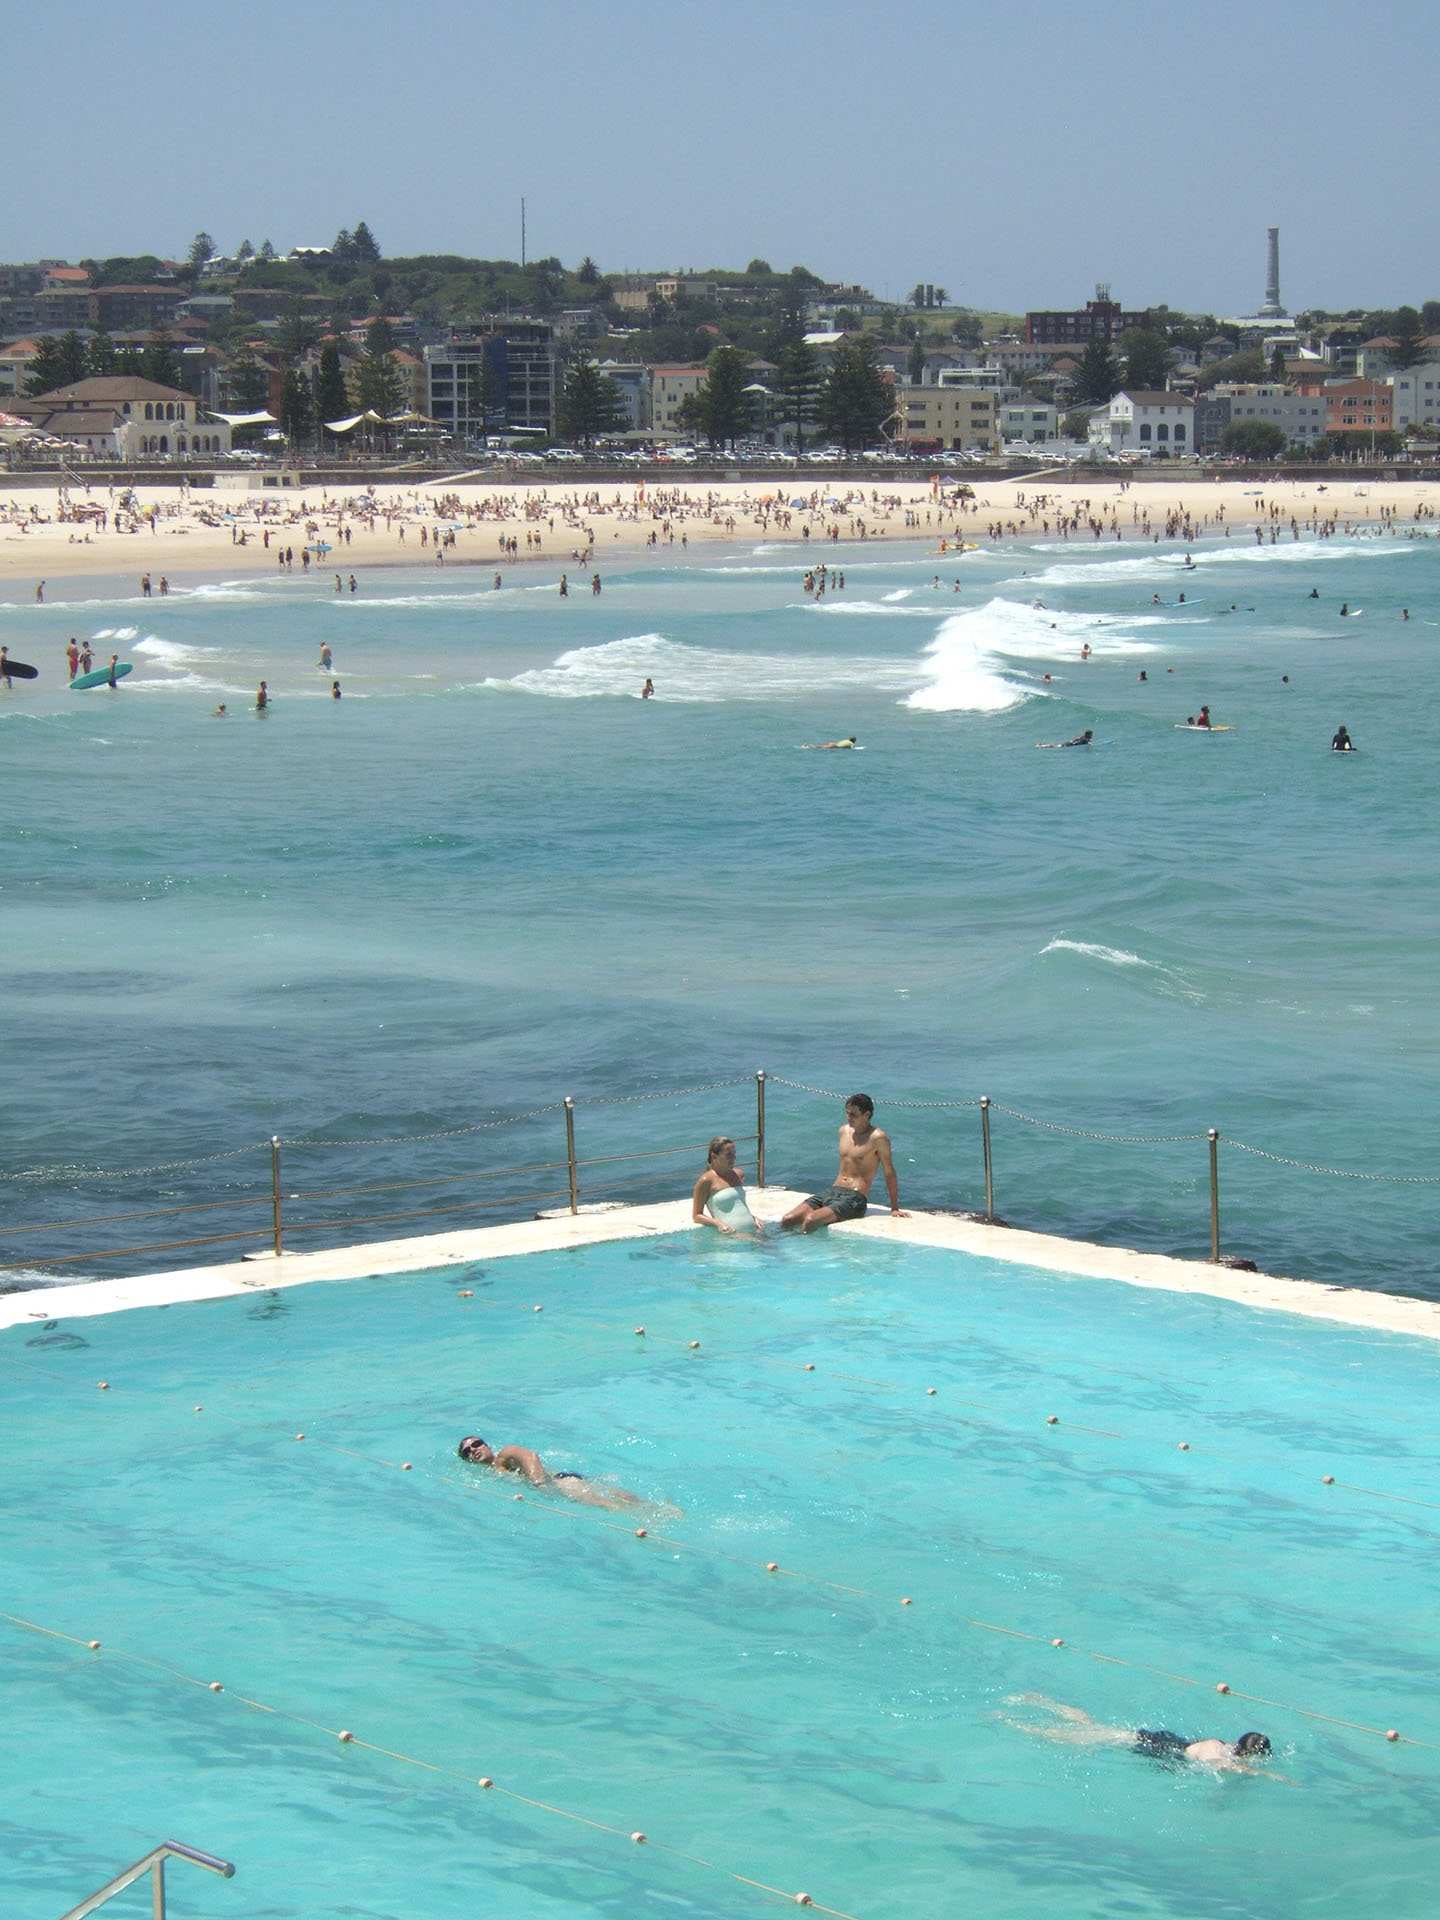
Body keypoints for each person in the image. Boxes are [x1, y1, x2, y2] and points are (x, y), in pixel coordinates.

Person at [1007, 1695, 1277, 1775]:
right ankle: (1035, 1728)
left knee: (1101, 1731)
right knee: (1095, 1735)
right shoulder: (1222, 1758)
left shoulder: (1223, 1746)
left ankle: (1060, 1709)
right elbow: (1242, 1771)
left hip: (1171, 1741)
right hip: (1162, 1748)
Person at [781, 1094, 906, 1232]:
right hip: (832, 1190)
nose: (848, 1117)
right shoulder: (844, 1131)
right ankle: (772, 1245)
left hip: (855, 1198)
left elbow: (889, 1172)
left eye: (853, 1114)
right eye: (847, 1113)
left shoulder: (878, 1138)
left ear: (866, 1114)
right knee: (788, 1220)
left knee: (810, 1221)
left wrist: (894, 1208)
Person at [456, 1436, 643, 1510]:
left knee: (615, 1507)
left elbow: (529, 1455)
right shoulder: (490, 1473)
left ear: (487, 1445)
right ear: (468, 1460)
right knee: (632, 1502)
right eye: (467, 1451)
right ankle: (669, 1511)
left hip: (562, 1484)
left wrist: (541, 1485)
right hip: (566, 1479)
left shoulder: (503, 1456)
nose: (472, 1449)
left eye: (476, 1444)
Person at [692, 1136, 761, 1234]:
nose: (733, 1158)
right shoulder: (706, 1180)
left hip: (754, 1230)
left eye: (734, 1154)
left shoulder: (738, 1174)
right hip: (732, 1235)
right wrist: (718, 1223)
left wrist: (753, 1217)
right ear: (714, 1156)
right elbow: (696, 1215)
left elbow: (739, 1206)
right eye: (728, 1155)